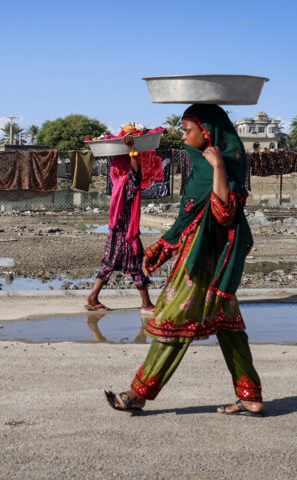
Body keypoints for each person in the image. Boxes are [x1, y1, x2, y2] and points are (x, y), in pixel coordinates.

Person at [104, 104, 264, 417]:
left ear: (207, 133)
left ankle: (139, 393)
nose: (182, 134)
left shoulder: (221, 167)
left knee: (171, 321)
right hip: (204, 262)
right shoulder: (198, 169)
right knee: (229, 328)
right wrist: (160, 250)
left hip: (204, 266)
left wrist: (218, 167)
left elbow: (225, 213)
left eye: (187, 129)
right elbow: (187, 218)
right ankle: (251, 396)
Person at [85, 135, 157, 314]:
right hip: (126, 234)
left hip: (116, 232)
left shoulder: (116, 182)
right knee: (136, 265)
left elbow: (134, 175)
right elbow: (135, 175)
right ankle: (146, 304)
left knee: (109, 265)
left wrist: (132, 152)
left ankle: (93, 297)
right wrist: (133, 151)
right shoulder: (126, 184)